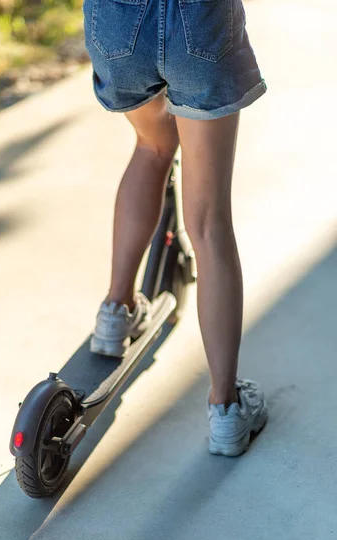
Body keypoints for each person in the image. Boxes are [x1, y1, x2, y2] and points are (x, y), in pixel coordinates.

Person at [83, 0, 267, 456]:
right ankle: (226, 409)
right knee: (207, 222)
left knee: (150, 147)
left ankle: (115, 312)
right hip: (198, 25)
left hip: (119, 23)